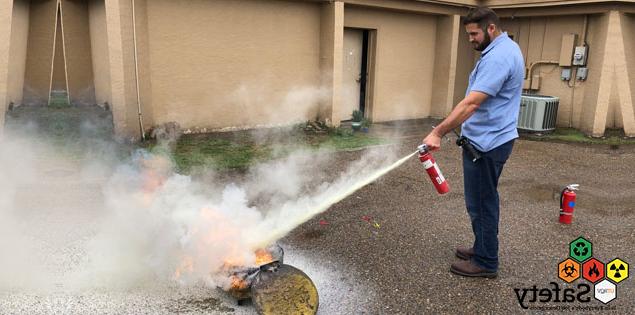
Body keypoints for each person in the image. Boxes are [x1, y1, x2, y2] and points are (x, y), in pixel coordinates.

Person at [422, 6, 524, 278]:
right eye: (468, 34)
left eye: (474, 33)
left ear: (491, 28)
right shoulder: (504, 49)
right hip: (489, 139)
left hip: (488, 144)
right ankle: (482, 247)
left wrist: (439, 132)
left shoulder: (499, 58)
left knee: (481, 203)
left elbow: (471, 104)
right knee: (481, 201)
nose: (471, 39)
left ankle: (486, 261)